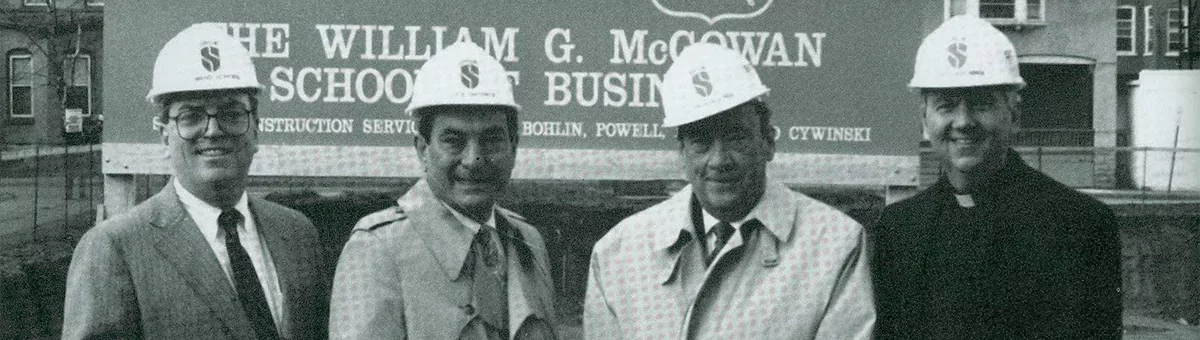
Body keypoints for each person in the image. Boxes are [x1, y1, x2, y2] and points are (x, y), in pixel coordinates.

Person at [584, 42, 876, 339]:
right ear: (681, 152)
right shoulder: (619, 255)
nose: (719, 160)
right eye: (701, 141)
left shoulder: (834, 246)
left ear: (768, 143)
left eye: (736, 137)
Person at [62, 23, 329, 340]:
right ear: (164, 134)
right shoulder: (115, 248)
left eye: (231, 113)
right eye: (191, 116)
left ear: (256, 128)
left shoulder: (296, 233)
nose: (213, 131)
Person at [869, 15, 1123, 339]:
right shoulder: (900, 229)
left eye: (981, 104)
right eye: (946, 106)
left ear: (1015, 114)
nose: (963, 122)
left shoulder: (1079, 225)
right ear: (924, 117)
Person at [328, 41, 557, 340]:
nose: (474, 159)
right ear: (423, 149)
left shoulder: (528, 241)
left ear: (514, 148)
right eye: (454, 140)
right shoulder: (379, 249)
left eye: (492, 139)